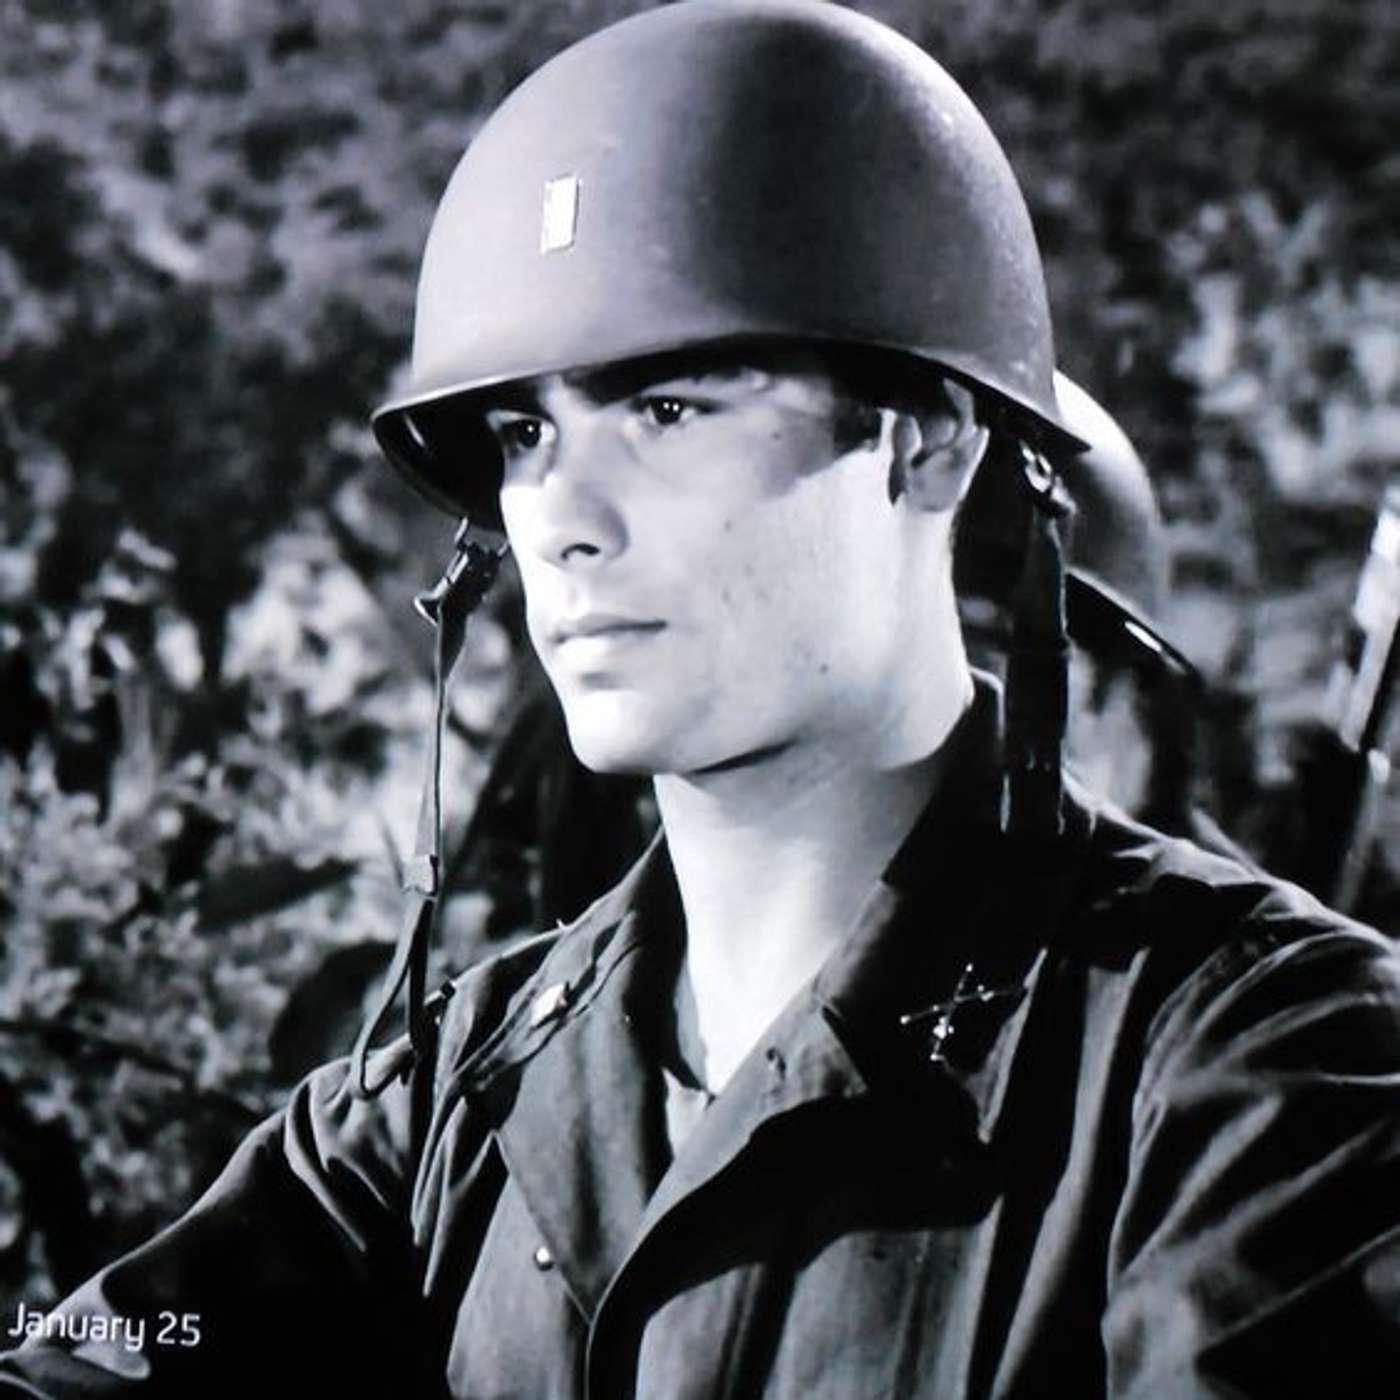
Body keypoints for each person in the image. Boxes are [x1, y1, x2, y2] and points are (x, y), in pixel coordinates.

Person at [4, 2, 1399, 1396]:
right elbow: (108, 1361)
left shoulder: (1257, 1073)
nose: (562, 519)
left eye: (667, 412)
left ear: (927, 442)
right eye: (525, 433)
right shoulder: (451, 1100)